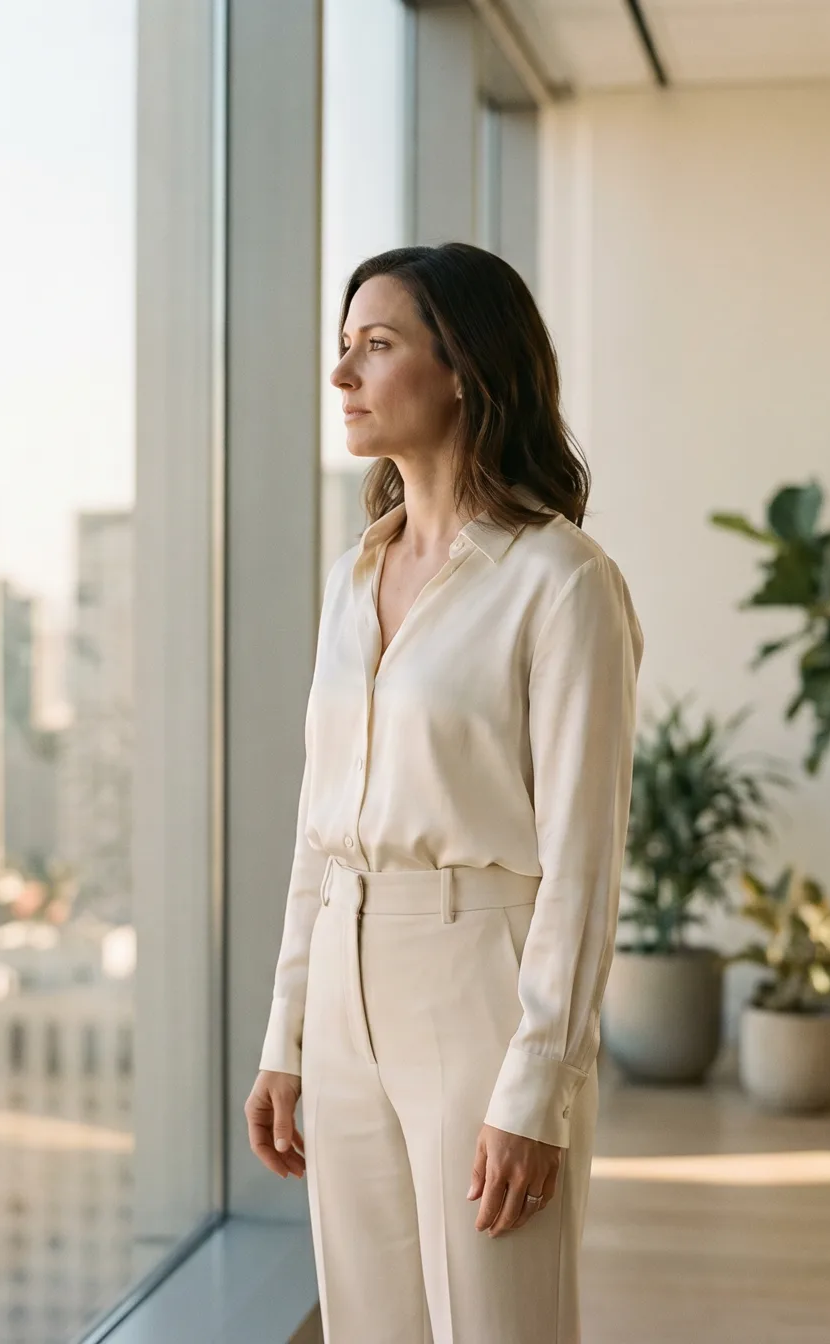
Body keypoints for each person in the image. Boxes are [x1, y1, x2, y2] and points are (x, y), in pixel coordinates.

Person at [243, 241, 643, 1342]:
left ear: (464, 367)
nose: (344, 377)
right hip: (342, 983)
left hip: (477, 985)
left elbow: (585, 862)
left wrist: (538, 1090)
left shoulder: (562, 584)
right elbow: (317, 833)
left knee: (497, 1325)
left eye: (377, 347)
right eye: (343, 350)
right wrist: (288, 1033)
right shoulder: (353, 574)